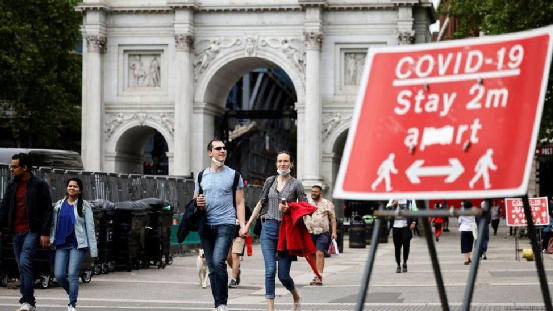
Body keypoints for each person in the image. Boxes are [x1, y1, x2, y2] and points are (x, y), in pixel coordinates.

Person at [241, 151, 305, 311]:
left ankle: (296, 295)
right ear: (276, 163)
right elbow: (260, 203)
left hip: (287, 232)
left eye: (286, 161)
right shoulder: (270, 181)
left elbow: (305, 206)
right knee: (270, 270)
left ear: (291, 164)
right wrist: (247, 224)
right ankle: (271, 309)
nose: (282, 164)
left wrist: (289, 207)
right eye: (280, 161)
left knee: (283, 276)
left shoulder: (296, 184)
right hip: (268, 228)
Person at [194, 139, 247, 311]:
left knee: (218, 261)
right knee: (211, 267)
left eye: (224, 148)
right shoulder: (201, 176)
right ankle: (217, 303)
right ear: (210, 153)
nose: (222, 151)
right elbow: (195, 200)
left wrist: (243, 225)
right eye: (218, 148)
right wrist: (198, 203)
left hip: (226, 223)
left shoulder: (234, 175)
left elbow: (239, 203)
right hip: (206, 225)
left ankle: (222, 303)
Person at [0, 153, 53, 311]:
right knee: (23, 265)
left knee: (24, 262)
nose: (11, 169)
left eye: (15, 167)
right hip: (16, 231)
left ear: (25, 168)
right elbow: (4, 206)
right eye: (11, 166)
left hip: (32, 231)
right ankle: (29, 302)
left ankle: (27, 301)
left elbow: (47, 210)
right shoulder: (12, 185)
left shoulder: (39, 185)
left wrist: (44, 233)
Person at [50, 178, 98, 311]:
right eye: (70, 186)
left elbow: (90, 228)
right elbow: (53, 225)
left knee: (72, 274)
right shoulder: (59, 205)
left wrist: (93, 251)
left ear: (80, 190)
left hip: (78, 245)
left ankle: (72, 304)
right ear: (66, 188)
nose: (72, 188)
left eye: (75, 186)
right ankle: (71, 292)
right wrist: (51, 239)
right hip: (61, 244)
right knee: (59, 275)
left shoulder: (84, 206)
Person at [304, 185, 337, 286]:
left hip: (322, 232)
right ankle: (315, 274)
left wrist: (334, 232)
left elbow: (332, 219)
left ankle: (319, 276)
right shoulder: (307, 203)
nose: (313, 193)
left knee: (320, 253)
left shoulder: (328, 204)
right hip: (309, 232)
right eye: (312, 191)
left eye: (316, 191)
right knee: (312, 254)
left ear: (320, 193)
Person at [386, 199, 418, 273]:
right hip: (395, 226)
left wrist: (414, 222)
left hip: (406, 226)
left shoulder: (410, 200)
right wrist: (393, 204)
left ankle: (405, 262)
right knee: (397, 246)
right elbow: (386, 209)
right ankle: (398, 265)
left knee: (406, 244)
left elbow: (415, 212)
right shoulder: (393, 199)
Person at [459, 200, 475, 265]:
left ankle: (466, 259)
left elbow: (459, 221)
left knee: (464, 244)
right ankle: (468, 257)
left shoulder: (462, 212)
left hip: (464, 229)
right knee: (470, 244)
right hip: (472, 229)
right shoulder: (474, 212)